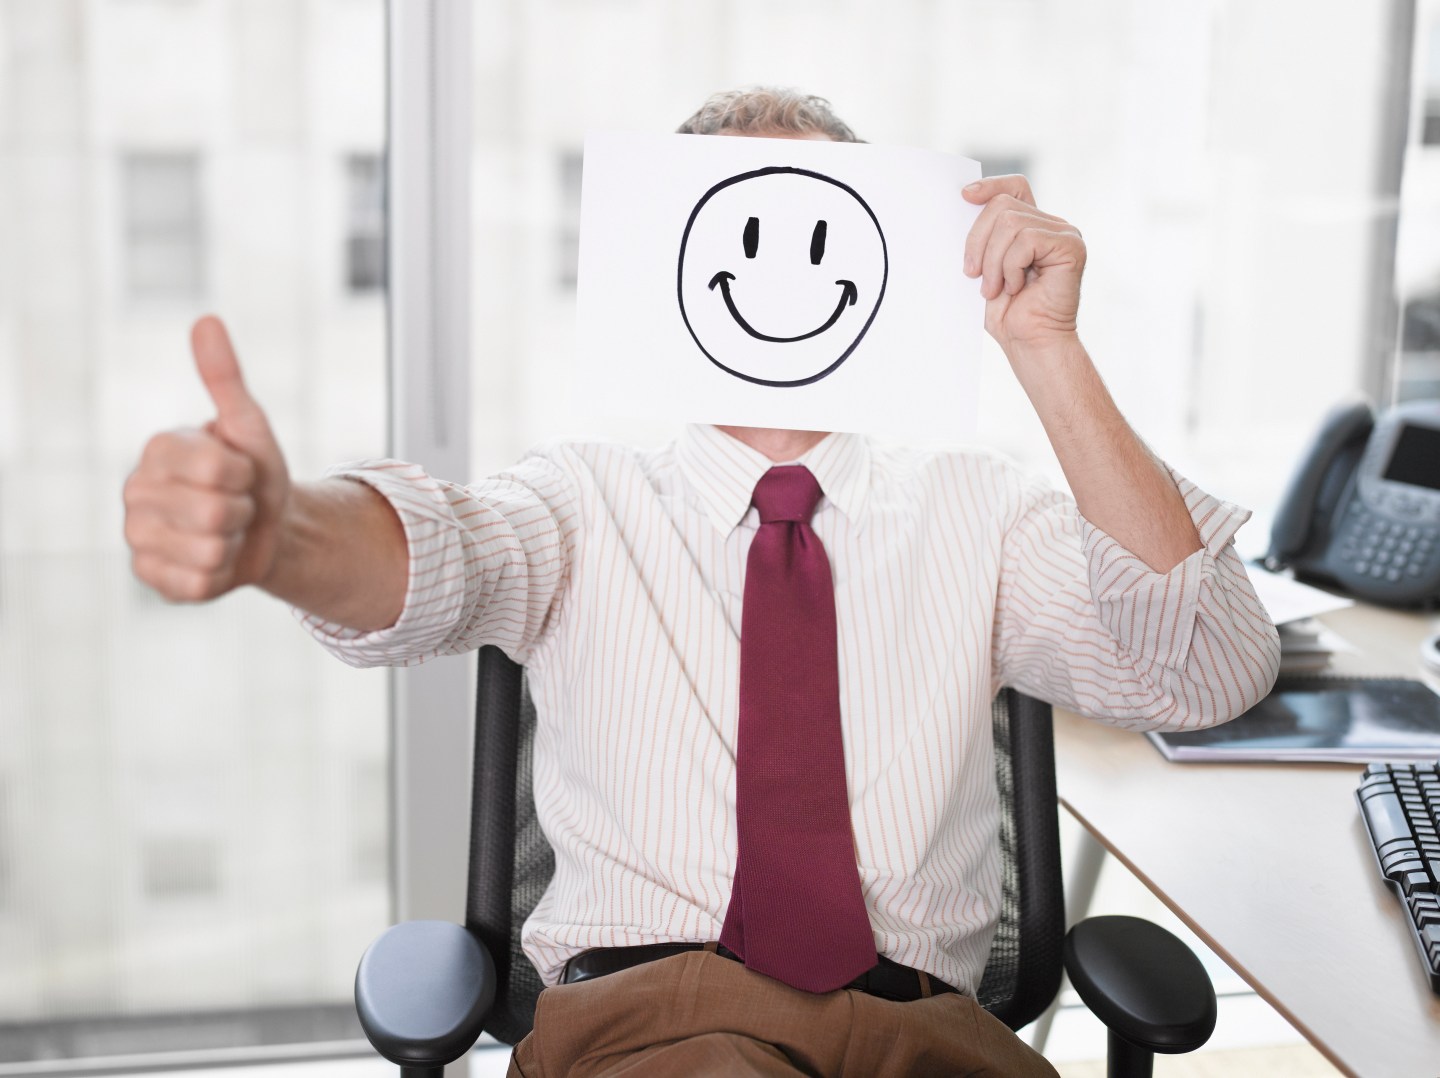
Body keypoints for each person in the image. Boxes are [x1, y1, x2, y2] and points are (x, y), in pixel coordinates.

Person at [123, 88, 1280, 1076]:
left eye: (823, 228)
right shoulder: (581, 500)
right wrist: (280, 537)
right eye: (740, 227)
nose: (782, 271)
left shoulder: (983, 507)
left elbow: (1207, 672)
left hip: (935, 1035)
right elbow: (435, 558)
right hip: (656, 1026)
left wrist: (1048, 351)